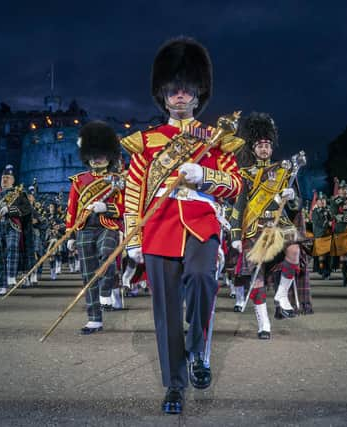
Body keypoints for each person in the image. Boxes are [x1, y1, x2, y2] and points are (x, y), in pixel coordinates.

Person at [120, 37, 243, 414]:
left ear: (198, 92)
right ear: (162, 93)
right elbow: (133, 189)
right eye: (173, 89)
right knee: (166, 309)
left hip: (201, 224)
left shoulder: (216, 141)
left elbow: (235, 184)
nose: (180, 96)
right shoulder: (147, 143)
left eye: (187, 89)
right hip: (158, 227)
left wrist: (204, 174)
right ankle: (174, 382)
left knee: (204, 278)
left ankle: (198, 349)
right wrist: (131, 236)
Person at [229, 112, 301, 336]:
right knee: (256, 275)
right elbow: (239, 206)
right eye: (260, 145)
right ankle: (263, 322)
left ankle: (281, 295)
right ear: (253, 149)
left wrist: (292, 196)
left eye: (267, 145)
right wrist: (234, 235)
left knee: (295, 250)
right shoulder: (245, 174)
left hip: (280, 224)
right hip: (254, 228)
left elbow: (297, 205)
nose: (264, 149)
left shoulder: (284, 171)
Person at [65, 121, 125, 334]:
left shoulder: (118, 180)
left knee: (108, 255)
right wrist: (70, 233)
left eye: (101, 153)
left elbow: (125, 206)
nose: (97, 157)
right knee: (88, 274)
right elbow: (72, 208)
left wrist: (106, 207)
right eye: (93, 153)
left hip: (107, 226)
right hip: (84, 228)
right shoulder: (79, 180)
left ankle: (106, 290)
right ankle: (94, 319)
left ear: (109, 155)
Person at [0, 165, 32, 297]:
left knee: (12, 247)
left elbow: (26, 209)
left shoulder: (19, 193)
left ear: (13, 180)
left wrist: (10, 210)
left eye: (7, 178)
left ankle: (11, 275)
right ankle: (1, 286)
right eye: (3, 177)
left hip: (13, 225)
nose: (4, 180)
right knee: (0, 257)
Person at [311, 192, 332, 279]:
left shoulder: (328, 210)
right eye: (320, 200)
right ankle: (323, 270)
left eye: (323, 200)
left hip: (328, 236)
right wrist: (328, 223)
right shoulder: (315, 212)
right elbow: (318, 223)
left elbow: (333, 219)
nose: (322, 202)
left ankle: (327, 271)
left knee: (328, 256)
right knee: (321, 256)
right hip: (320, 235)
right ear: (317, 202)